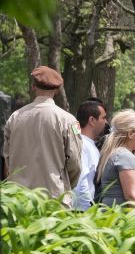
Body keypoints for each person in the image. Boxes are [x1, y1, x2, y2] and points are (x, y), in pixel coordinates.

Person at [3, 66, 82, 207]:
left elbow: (7, 159)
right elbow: (75, 162)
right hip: (53, 197)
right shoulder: (68, 120)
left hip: (18, 198)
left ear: (33, 87)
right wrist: (65, 183)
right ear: (57, 90)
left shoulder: (14, 118)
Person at [96, 109, 135, 206]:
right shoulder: (124, 156)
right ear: (131, 134)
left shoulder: (118, 153)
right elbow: (131, 197)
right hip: (124, 217)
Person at [74, 99, 108, 210]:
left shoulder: (89, 144)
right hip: (83, 212)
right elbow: (81, 180)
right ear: (92, 120)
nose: (106, 122)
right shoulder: (82, 145)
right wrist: (87, 210)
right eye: (103, 118)